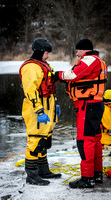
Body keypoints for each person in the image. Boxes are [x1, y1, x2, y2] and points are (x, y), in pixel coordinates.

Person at [52, 39, 108, 188]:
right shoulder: (99, 61)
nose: (77, 53)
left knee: (84, 142)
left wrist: (57, 75)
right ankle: (96, 175)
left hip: (87, 105)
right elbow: (84, 78)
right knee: (95, 140)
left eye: (78, 50)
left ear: (85, 50)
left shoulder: (89, 59)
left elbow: (73, 74)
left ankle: (87, 178)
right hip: (95, 104)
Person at [19, 38, 61, 186]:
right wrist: (39, 110)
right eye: (46, 53)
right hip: (36, 110)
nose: (48, 56)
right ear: (39, 52)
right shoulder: (31, 67)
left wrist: (54, 105)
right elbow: (30, 91)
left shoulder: (43, 65)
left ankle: (43, 170)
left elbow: (49, 85)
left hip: (47, 107)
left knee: (44, 140)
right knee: (35, 141)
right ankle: (31, 175)